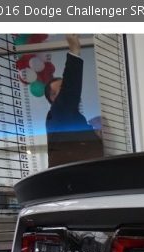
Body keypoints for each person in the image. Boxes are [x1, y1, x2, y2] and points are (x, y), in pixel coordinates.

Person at [44, 34, 103, 168]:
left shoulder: (66, 119)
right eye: (62, 88)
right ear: (53, 97)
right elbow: (69, 90)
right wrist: (74, 50)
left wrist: (96, 134)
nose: (66, 89)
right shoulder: (58, 112)